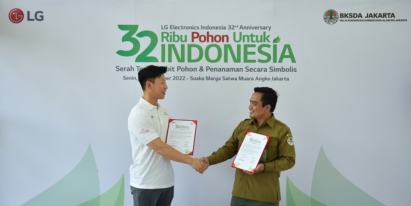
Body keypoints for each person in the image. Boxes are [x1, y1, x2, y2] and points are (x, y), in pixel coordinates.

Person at [201, 87, 296, 206]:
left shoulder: (282, 130)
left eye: (254, 103)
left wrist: (264, 167)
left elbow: (289, 160)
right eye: (250, 102)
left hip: (265, 196)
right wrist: (209, 160)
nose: (249, 106)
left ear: (267, 107)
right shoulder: (243, 125)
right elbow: (228, 149)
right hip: (239, 194)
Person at [128, 65, 206, 206]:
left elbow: (170, 144)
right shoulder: (138, 114)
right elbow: (160, 148)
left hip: (166, 182)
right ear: (149, 85)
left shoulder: (164, 111)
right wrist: (192, 161)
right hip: (145, 184)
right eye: (162, 82)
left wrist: (193, 158)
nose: (167, 86)